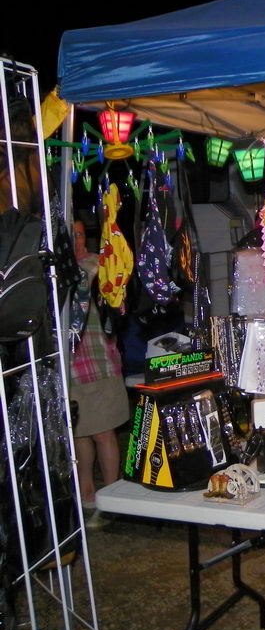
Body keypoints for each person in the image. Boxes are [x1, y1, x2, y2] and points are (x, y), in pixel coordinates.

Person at [69, 219, 130, 527]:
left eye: (80, 233)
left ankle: (111, 499)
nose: (77, 239)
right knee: (80, 433)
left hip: (99, 360)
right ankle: (87, 493)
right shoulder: (55, 273)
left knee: (103, 432)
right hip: (70, 366)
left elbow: (116, 304)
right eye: (71, 234)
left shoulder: (96, 265)